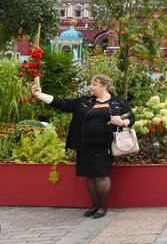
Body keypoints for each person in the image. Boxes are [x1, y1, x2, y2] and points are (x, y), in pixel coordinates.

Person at [31, 75, 134, 219]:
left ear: (104, 86)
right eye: (91, 84)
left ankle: (103, 206)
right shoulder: (84, 101)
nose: (91, 86)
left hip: (105, 145)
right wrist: (39, 94)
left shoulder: (119, 102)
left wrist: (122, 122)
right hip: (84, 145)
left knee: (101, 175)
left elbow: (131, 117)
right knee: (90, 175)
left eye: (94, 84)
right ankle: (95, 205)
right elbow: (62, 104)